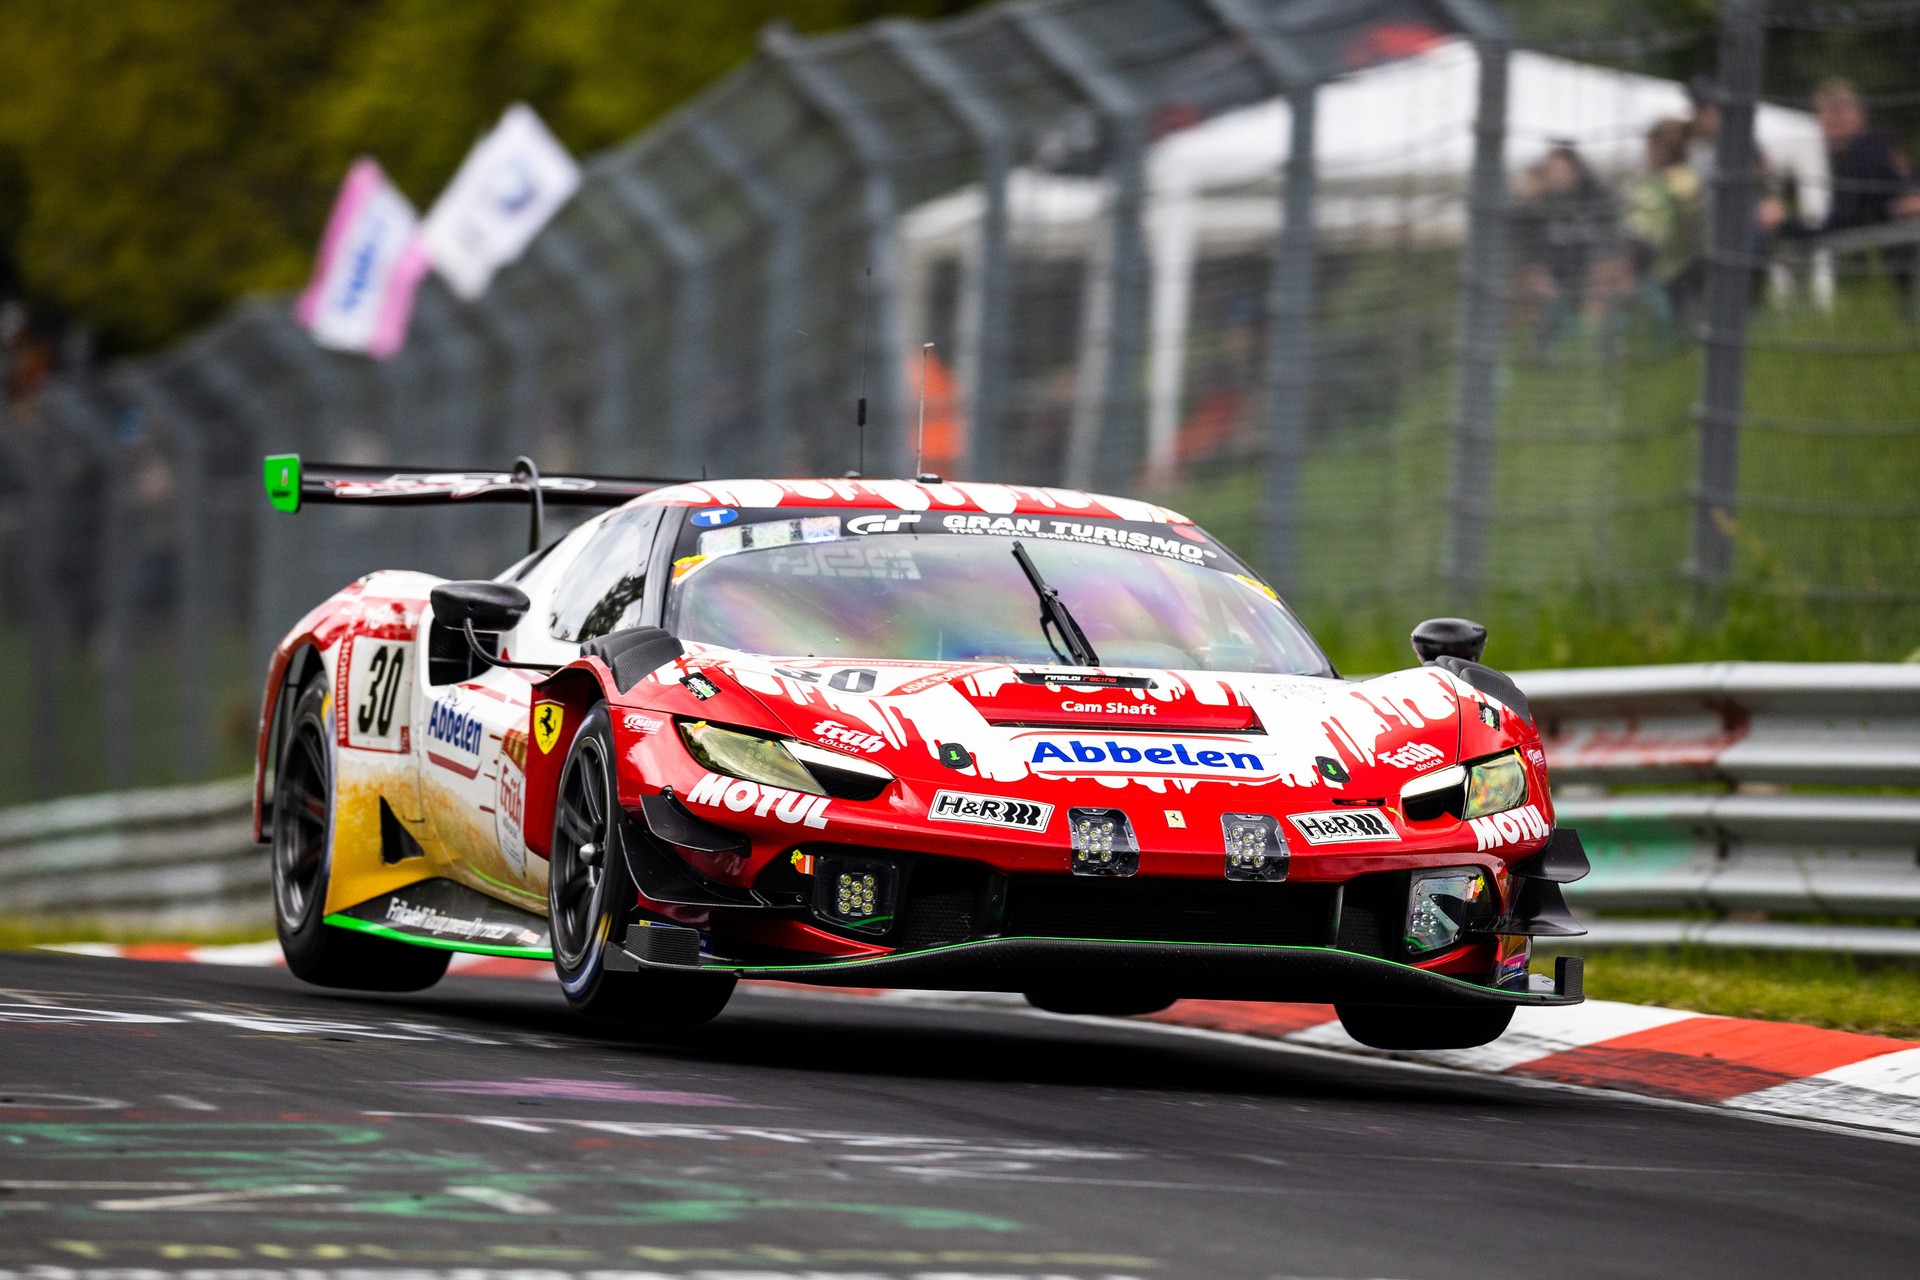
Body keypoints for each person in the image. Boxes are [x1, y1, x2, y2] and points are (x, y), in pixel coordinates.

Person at [1509, 142, 1618, 355]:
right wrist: (1524, 201)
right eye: (1551, 170)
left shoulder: (1596, 195)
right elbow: (1521, 241)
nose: (1556, 175)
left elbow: (1609, 238)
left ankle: (1603, 349)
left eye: (1560, 169)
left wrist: (1602, 266)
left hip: (1590, 270)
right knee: (1540, 288)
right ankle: (1540, 349)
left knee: (1602, 284)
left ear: (1574, 169)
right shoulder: (1540, 201)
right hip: (1552, 274)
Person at [1624, 118, 1706, 326]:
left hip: (1673, 267)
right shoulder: (1659, 180)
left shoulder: (1680, 183)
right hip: (1655, 262)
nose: (1647, 154)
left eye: (1650, 147)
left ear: (1665, 148)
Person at [1812, 77, 1920, 231]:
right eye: (1823, 116)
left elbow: (1843, 218)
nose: (1826, 126)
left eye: (1837, 113)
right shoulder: (1872, 146)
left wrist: (1787, 227)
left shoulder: (1866, 148)